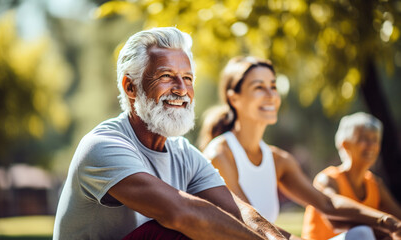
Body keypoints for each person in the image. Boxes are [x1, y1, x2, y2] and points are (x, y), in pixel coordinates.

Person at [53, 27, 287, 240]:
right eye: (166, 76)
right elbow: (181, 214)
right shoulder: (102, 145)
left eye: (187, 78)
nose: (181, 89)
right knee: (179, 228)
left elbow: (239, 213)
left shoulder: (184, 153)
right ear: (130, 87)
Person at [198, 56, 401, 240]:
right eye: (259, 87)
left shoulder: (278, 160)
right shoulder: (220, 154)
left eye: (273, 86)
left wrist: (387, 221)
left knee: (363, 234)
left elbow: (327, 204)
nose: (270, 95)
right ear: (234, 98)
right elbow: (245, 220)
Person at [302, 112, 401, 240]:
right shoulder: (327, 180)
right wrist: (386, 224)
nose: (371, 145)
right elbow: (335, 221)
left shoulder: (374, 184)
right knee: (362, 233)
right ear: (345, 144)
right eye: (364, 138)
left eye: (375, 139)